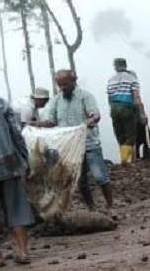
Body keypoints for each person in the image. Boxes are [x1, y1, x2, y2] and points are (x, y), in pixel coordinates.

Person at [39, 69, 113, 211]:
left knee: (99, 176)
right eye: (59, 85)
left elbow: (95, 114)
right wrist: (36, 125)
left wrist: (91, 120)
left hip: (89, 144)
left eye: (65, 84)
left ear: (74, 81)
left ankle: (110, 205)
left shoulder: (85, 96)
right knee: (80, 179)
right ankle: (91, 207)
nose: (62, 88)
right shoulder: (56, 101)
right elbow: (52, 122)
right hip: (70, 147)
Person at [0, 96, 32, 265]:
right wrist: (25, 157)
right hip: (8, 162)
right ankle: (23, 252)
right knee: (17, 207)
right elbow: (16, 133)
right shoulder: (1, 104)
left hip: (7, 164)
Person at [106, 57, 147, 165]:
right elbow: (137, 97)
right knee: (130, 135)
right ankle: (127, 160)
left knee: (120, 135)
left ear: (115, 67)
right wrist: (142, 114)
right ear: (125, 66)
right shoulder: (132, 78)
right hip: (127, 109)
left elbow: (109, 98)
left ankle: (125, 159)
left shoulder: (110, 80)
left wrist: (113, 109)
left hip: (114, 109)